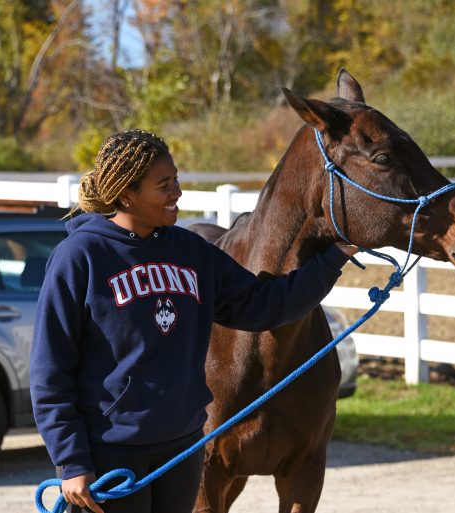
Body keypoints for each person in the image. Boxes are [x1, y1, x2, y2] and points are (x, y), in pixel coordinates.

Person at [30, 129, 357, 513]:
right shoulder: (79, 257)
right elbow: (50, 369)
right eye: (163, 185)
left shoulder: (191, 252)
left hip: (182, 448)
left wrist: (332, 259)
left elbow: (264, 305)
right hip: (111, 452)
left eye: (176, 180)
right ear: (127, 194)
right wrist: (71, 461)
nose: (177, 192)